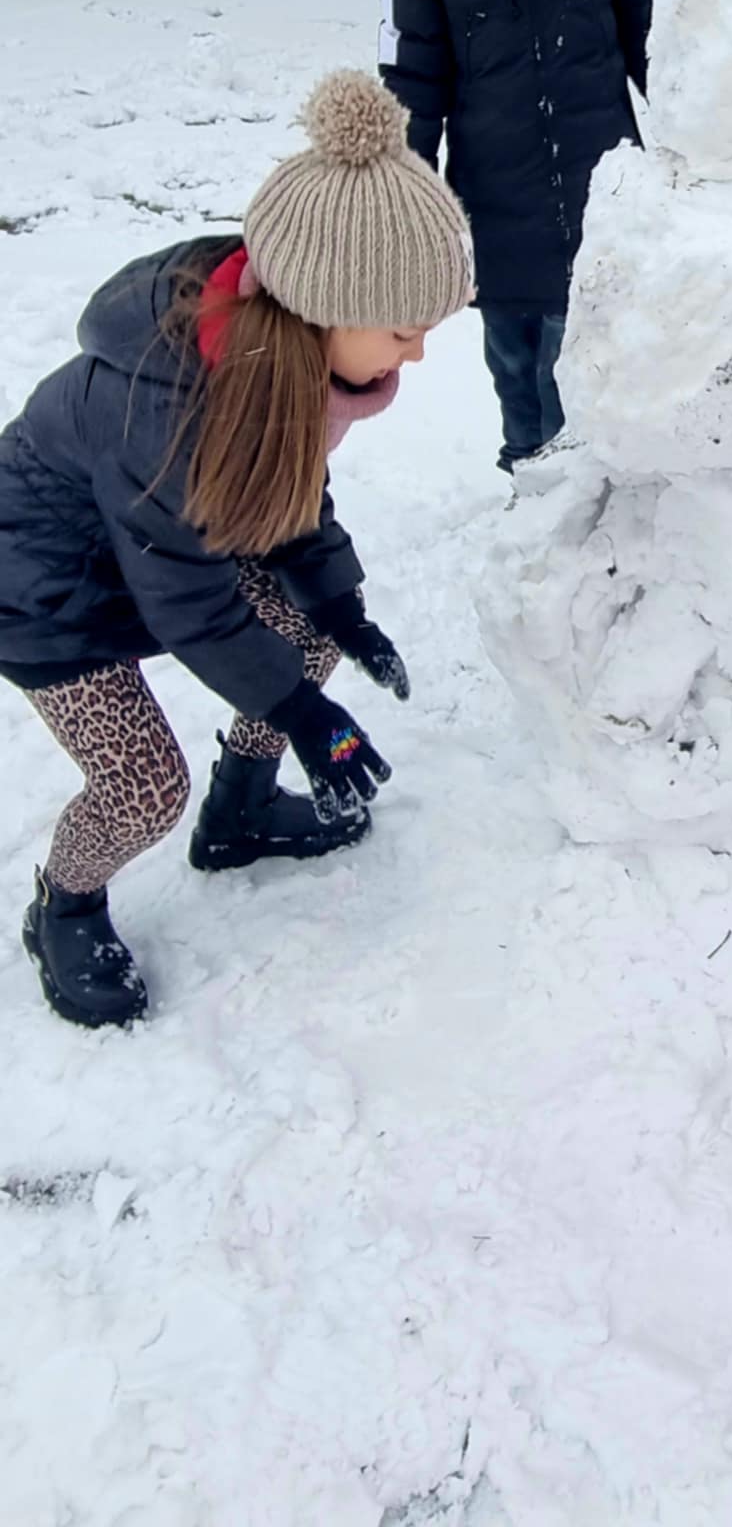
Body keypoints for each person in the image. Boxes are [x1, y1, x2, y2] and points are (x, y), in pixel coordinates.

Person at [0, 73, 474, 1029]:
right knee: (142, 787)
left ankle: (242, 814)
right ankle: (65, 903)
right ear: (324, 305)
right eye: (401, 331)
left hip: (155, 550)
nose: (413, 356)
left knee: (304, 633)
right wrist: (305, 715)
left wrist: (339, 605)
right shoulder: (167, 404)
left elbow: (287, 494)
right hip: (42, 578)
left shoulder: (277, 355)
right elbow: (190, 600)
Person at [379, 0, 659, 479]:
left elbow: (656, 49)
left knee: (594, 355)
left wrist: (699, 149)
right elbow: (413, 77)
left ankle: (600, 484)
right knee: (517, 361)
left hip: (604, 193)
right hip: (495, 202)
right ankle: (532, 485)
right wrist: (403, 187)